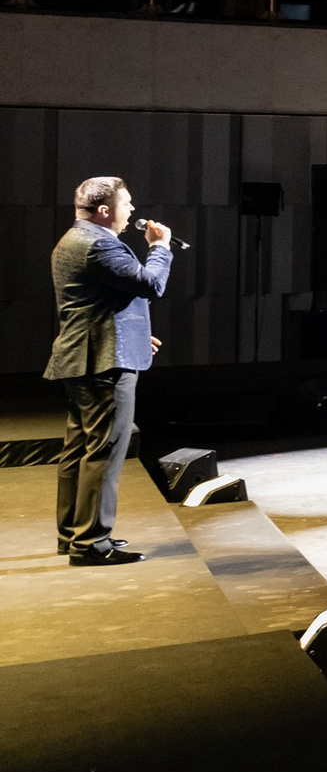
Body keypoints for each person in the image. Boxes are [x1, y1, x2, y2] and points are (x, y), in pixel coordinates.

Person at [45, 177, 172, 566]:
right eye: (127, 203)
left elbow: (99, 303)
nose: (132, 210)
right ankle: (92, 545)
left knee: (80, 450)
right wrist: (160, 248)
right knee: (104, 451)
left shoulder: (73, 239)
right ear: (105, 211)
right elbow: (151, 285)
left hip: (86, 355)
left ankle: (74, 534)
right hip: (103, 363)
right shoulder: (99, 244)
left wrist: (136, 336)